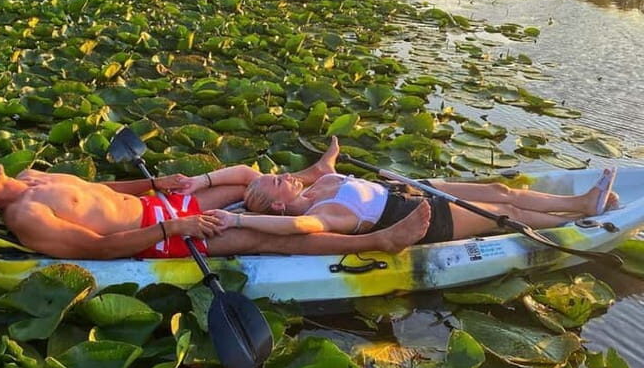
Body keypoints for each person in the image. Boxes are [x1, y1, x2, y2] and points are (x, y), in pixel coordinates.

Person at [0, 149, 433, 260]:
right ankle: (378, 240)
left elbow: (103, 194)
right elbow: (98, 246)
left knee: (248, 181)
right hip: (157, 239)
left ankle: (307, 179)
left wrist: (156, 187)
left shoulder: (34, 177)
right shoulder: (26, 216)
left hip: (156, 208)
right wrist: (174, 229)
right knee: (257, 235)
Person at [202, 138, 619, 243]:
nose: (285, 174)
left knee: (497, 187)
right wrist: (238, 217)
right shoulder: (322, 216)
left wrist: (209, 182)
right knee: (506, 215)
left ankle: (577, 200)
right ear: (277, 202)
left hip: (408, 191)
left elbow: (320, 172)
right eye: (278, 179)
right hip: (426, 219)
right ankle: (578, 213)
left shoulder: (318, 185)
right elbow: (295, 228)